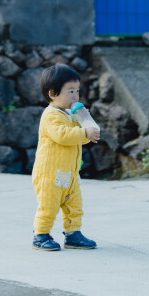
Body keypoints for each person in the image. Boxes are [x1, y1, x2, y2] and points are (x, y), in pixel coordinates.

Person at [31, 63, 100, 251]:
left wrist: (87, 131)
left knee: (74, 205)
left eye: (77, 91)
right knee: (49, 205)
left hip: (69, 173)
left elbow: (76, 139)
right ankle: (41, 235)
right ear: (53, 94)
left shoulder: (70, 114)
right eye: (70, 91)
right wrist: (83, 133)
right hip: (50, 174)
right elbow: (62, 135)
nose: (76, 96)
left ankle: (73, 234)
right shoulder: (51, 115)